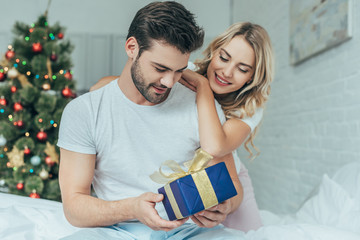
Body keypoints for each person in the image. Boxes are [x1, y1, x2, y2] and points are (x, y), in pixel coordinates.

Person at [58, 1, 244, 239]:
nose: (169, 82)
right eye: (160, 68)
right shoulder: (85, 111)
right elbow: (74, 208)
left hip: (190, 231)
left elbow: (234, 188)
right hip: (118, 230)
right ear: (132, 47)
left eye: (179, 71)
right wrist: (131, 208)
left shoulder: (201, 106)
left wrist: (225, 206)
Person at [91, 22, 274, 232]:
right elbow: (101, 87)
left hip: (227, 175)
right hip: (185, 170)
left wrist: (202, 86)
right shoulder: (186, 71)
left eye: (242, 69)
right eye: (224, 58)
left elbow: (214, 146)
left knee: (253, 234)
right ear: (214, 51)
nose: (227, 72)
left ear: (252, 76)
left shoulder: (249, 106)